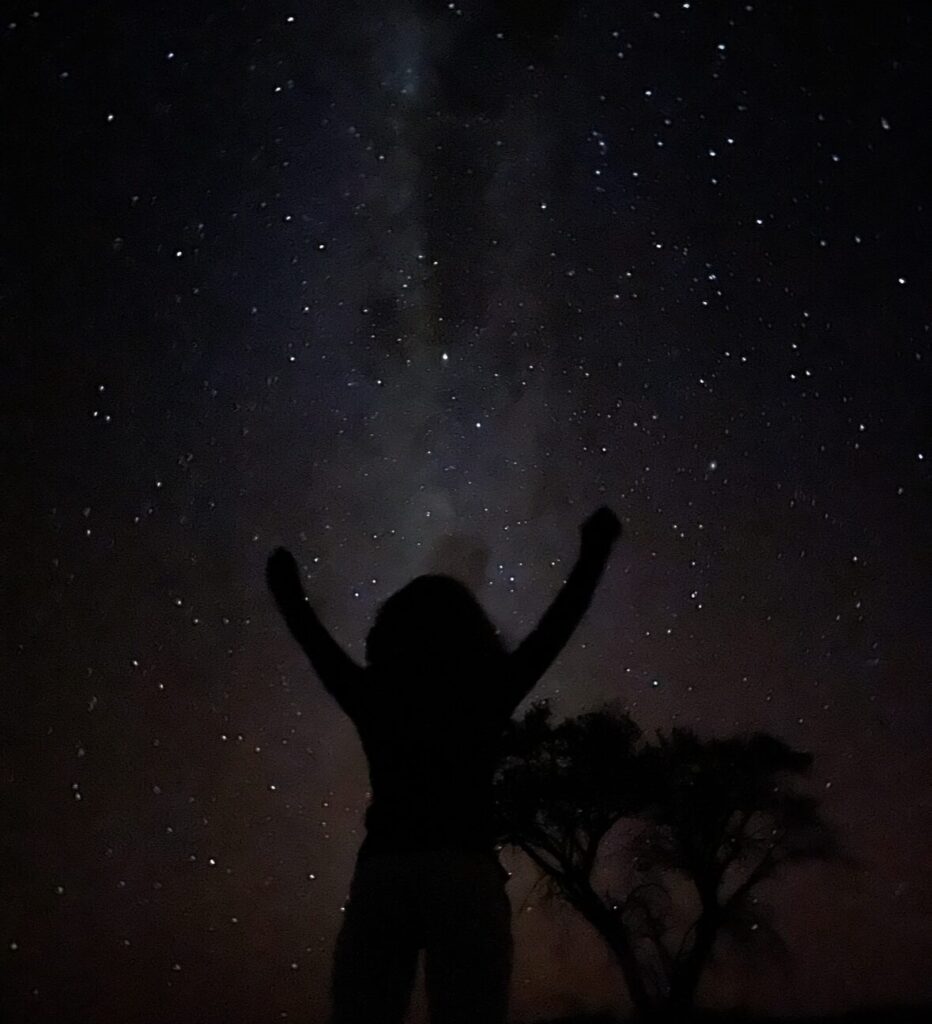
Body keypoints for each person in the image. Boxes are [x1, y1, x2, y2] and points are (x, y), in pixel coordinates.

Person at [266, 505, 622, 1024]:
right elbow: (557, 626)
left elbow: (315, 642)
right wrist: (593, 555)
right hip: (465, 871)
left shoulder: (376, 697)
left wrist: (286, 588)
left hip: (387, 870)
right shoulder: (487, 693)